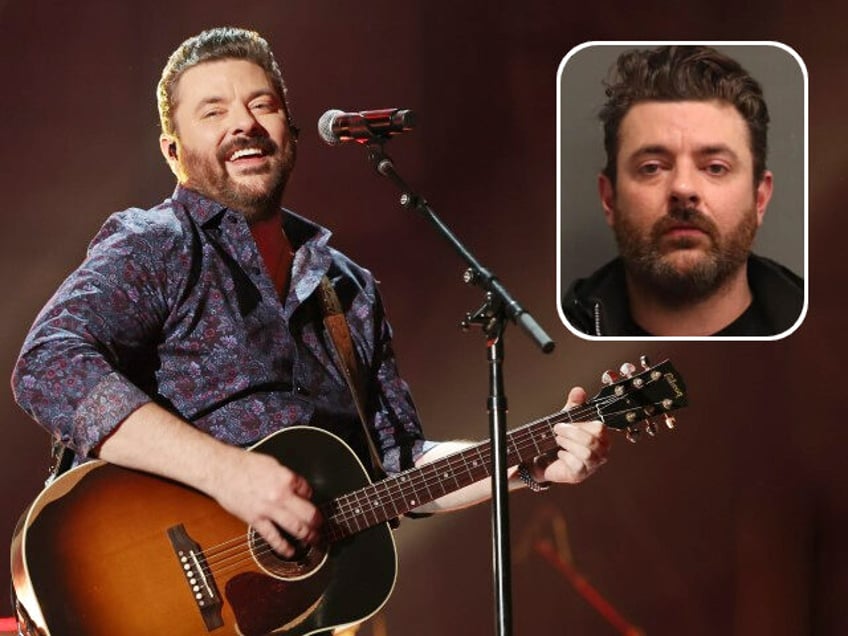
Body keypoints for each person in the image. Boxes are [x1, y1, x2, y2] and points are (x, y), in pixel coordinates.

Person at [12, 26, 608, 587]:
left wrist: (527, 461)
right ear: (173, 151)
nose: (243, 124)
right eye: (213, 111)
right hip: (143, 584)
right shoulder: (157, 244)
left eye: (261, 104)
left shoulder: (347, 288)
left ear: (291, 131)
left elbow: (397, 465)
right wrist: (227, 475)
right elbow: (48, 367)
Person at [562, 45, 803, 337]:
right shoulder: (550, 345)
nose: (683, 188)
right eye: (652, 167)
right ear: (609, 198)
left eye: (715, 167)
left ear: (760, 198)